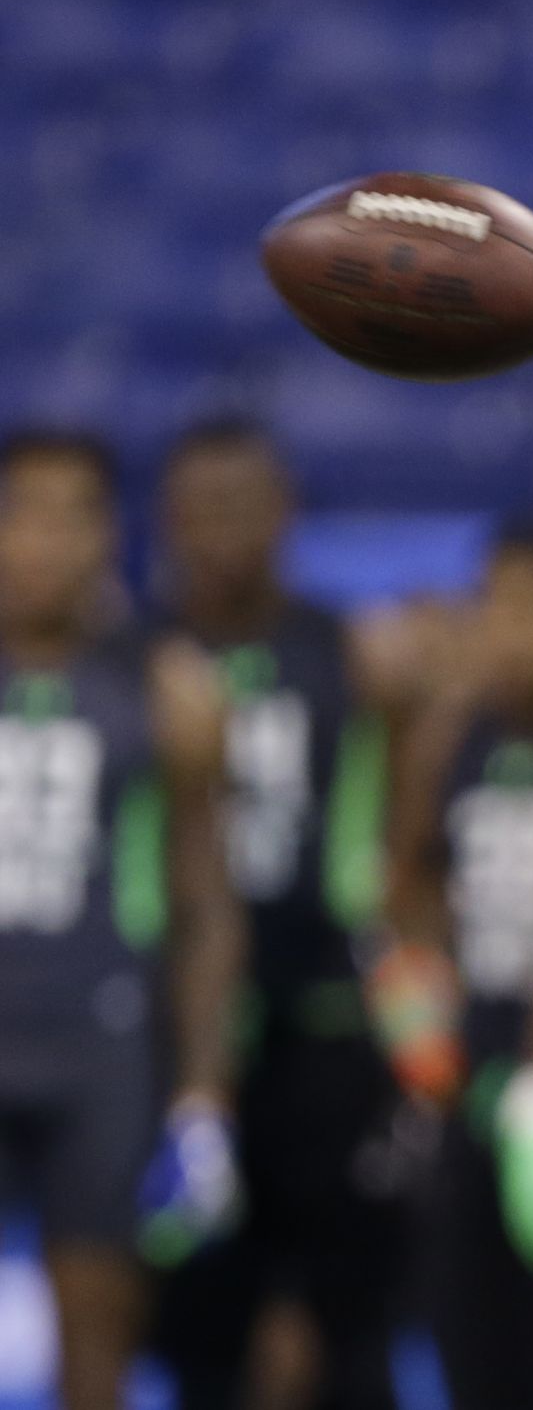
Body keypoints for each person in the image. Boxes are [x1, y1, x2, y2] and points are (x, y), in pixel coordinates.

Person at [149, 418, 413, 1410]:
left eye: (244, 505)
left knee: (344, 1329)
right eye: (202, 508)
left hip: (325, 1026)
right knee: (202, 1328)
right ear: (167, 522)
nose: (224, 530)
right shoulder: (138, 657)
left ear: (286, 514)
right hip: (180, 1039)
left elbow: (408, 844)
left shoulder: (352, 654)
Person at [0, 430, 247, 1410]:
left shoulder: (172, 694)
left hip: (97, 1041)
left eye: (77, 514)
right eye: (26, 511)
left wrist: (202, 1101)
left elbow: (206, 909)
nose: (51, 540)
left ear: (113, 536)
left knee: (98, 1340)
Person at [381, 525, 533, 1410]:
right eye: (497, 608)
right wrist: (422, 1040)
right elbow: (403, 890)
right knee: (473, 1348)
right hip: (470, 1080)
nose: (516, 633)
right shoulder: (451, 741)